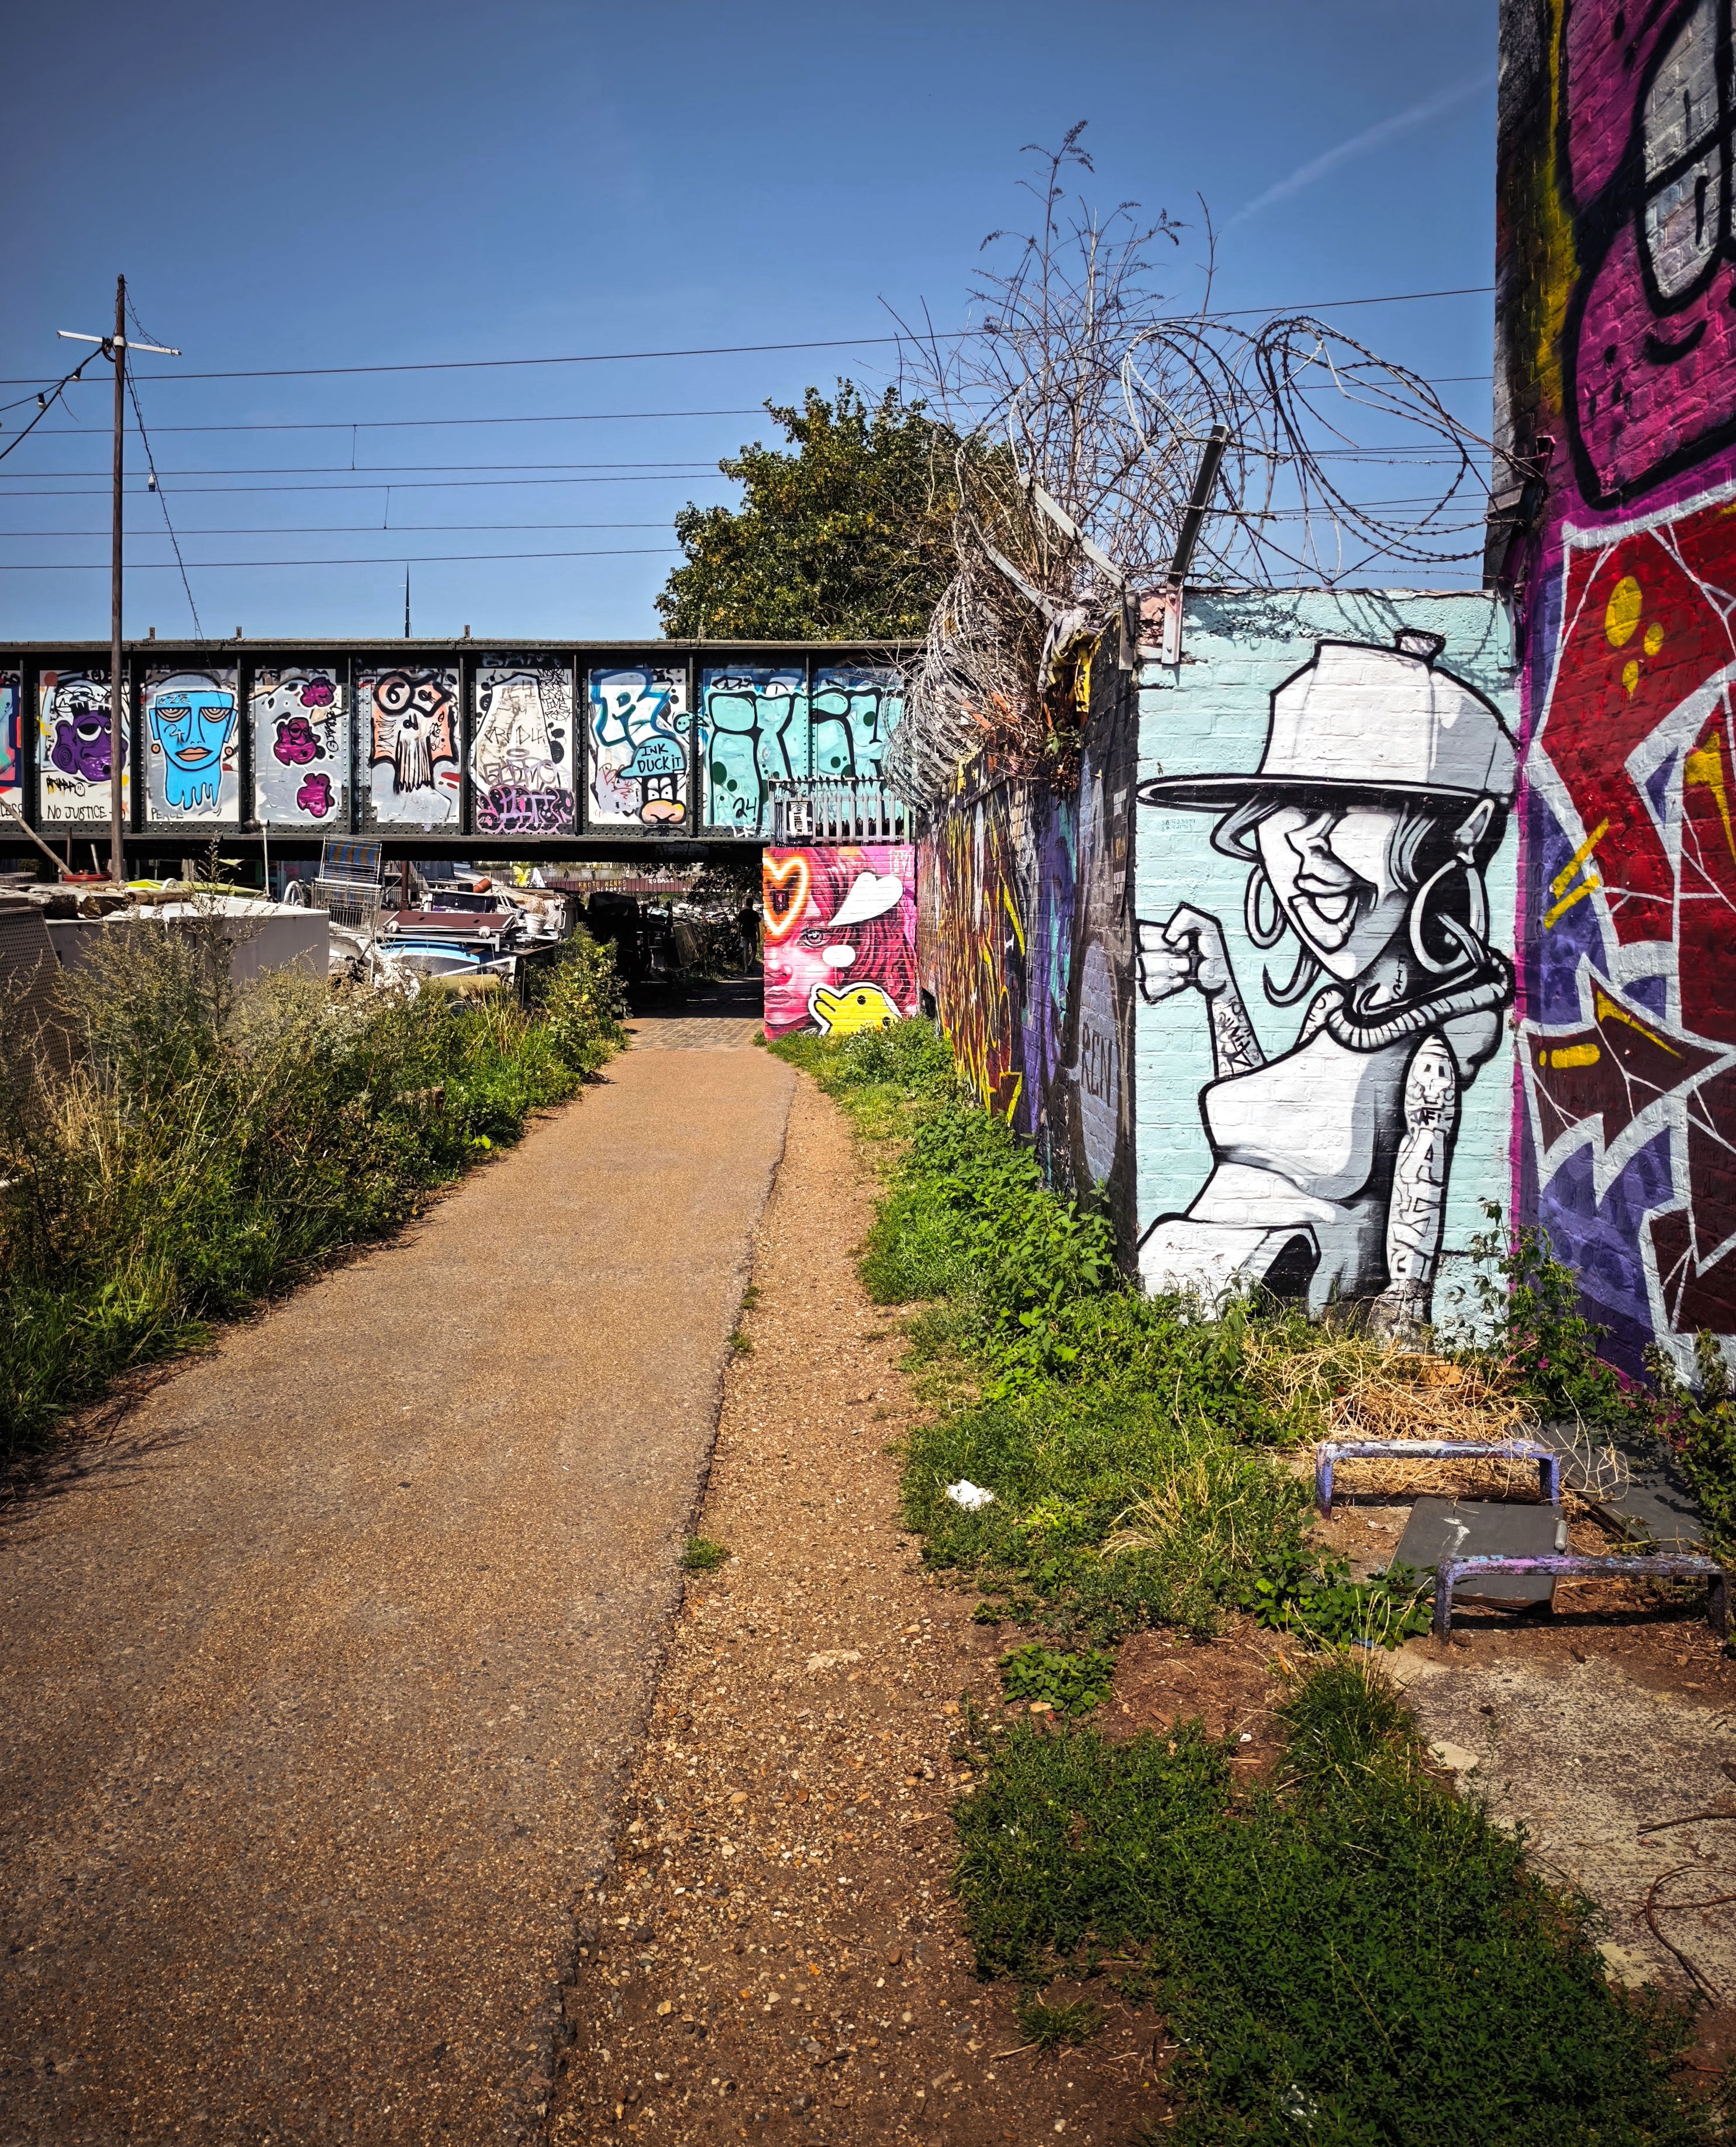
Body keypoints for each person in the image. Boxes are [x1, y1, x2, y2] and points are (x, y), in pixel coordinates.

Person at [1136, 630, 1515, 1337]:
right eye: (1291, 807)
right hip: (1198, 1297)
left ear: (1460, 832)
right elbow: (1273, 1113)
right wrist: (1220, 990)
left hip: (1276, 1311)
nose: (1309, 843)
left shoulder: (1429, 1049)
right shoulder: (1333, 1011)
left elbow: (1408, 1265)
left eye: (1352, 805)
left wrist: (1396, 1335)